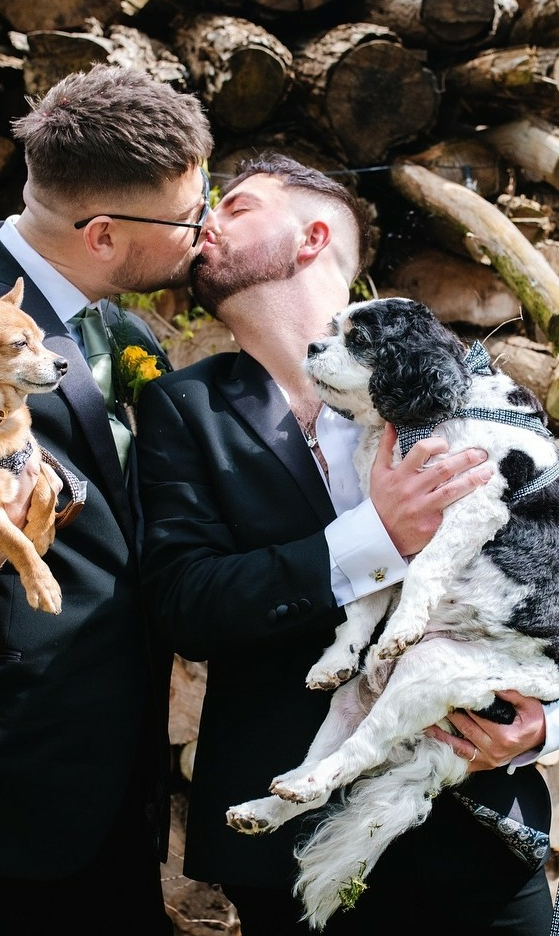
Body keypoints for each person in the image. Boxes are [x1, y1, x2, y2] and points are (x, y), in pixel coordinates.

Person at [135, 152, 559, 934]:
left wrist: (545, 728)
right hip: (290, 851)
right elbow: (185, 605)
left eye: (239, 206)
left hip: (481, 837)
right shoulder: (181, 408)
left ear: (312, 236)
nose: (207, 219)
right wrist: (377, 536)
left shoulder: (472, 383)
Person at [0, 62, 214, 932]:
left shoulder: (126, 333)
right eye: (191, 215)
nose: (205, 231)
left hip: (112, 806)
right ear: (104, 233)